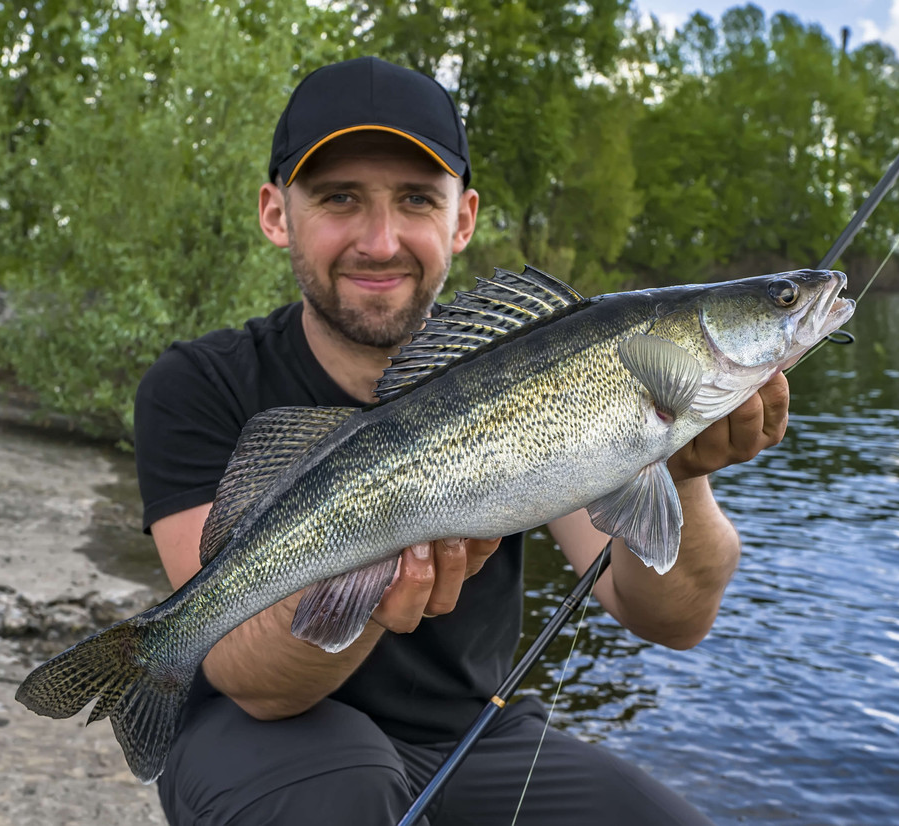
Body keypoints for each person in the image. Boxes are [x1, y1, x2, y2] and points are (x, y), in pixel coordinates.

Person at [134, 56, 790, 825]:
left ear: (464, 219)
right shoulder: (198, 384)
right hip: (256, 738)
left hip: (474, 736)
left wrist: (676, 469)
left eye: (417, 199)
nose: (381, 241)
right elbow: (249, 680)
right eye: (340, 197)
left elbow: (673, 620)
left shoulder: (546, 361)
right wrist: (369, 583)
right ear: (276, 213)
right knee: (347, 792)